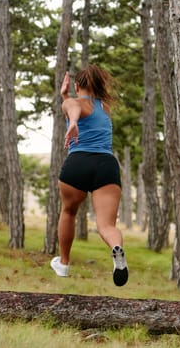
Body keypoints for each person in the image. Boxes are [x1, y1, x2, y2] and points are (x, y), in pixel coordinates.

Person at [50, 64, 128, 287]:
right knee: (107, 225)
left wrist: (72, 121)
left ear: (77, 86)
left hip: (79, 162)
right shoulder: (104, 107)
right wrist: (67, 100)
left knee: (69, 211)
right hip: (106, 166)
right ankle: (116, 250)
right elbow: (81, 106)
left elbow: (74, 107)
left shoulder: (72, 102)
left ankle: (64, 263)